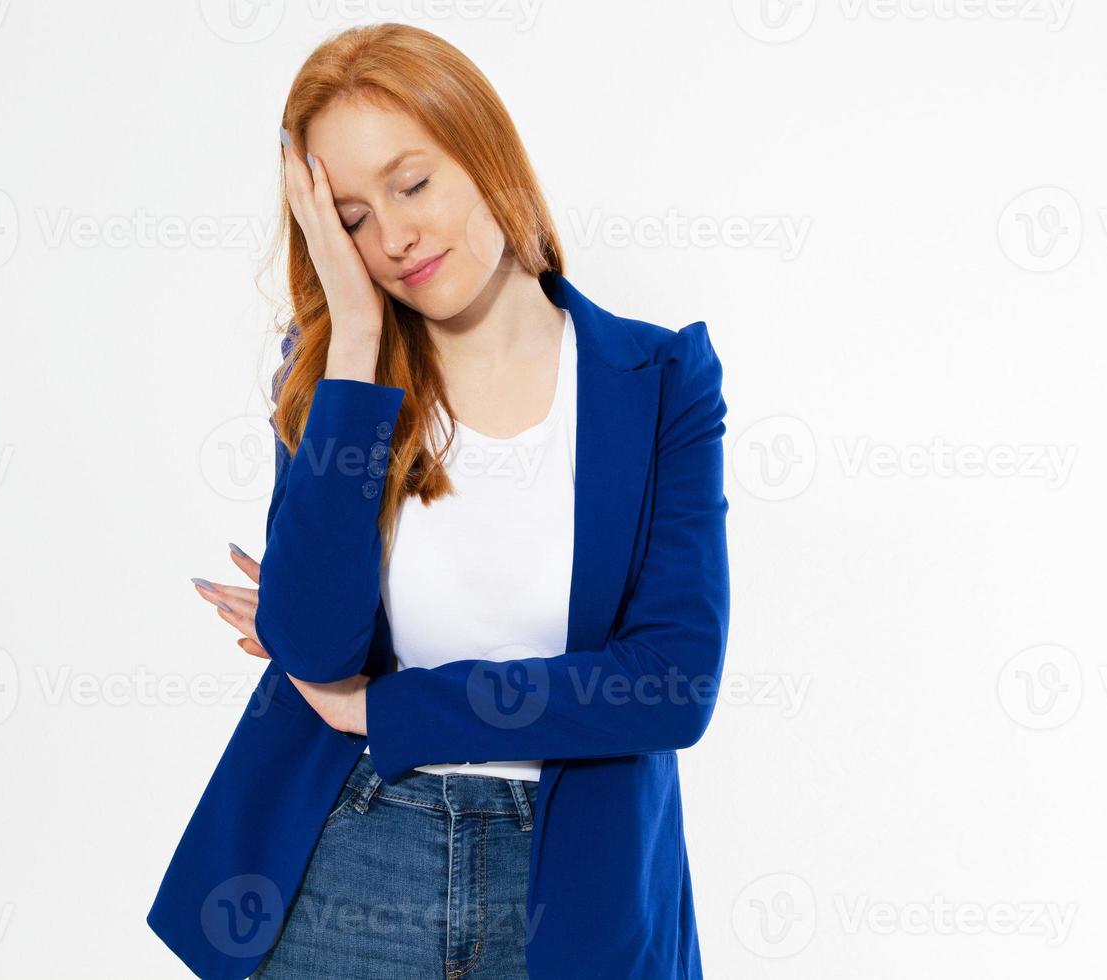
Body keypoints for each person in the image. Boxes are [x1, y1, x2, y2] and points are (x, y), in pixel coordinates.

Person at [149, 22, 730, 979]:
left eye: (411, 185)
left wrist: (389, 708)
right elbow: (317, 642)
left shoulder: (659, 380)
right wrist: (353, 344)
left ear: (483, 150)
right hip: (345, 873)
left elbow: (671, 683)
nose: (395, 238)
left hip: (575, 894)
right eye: (350, 220)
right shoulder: (333, 384)